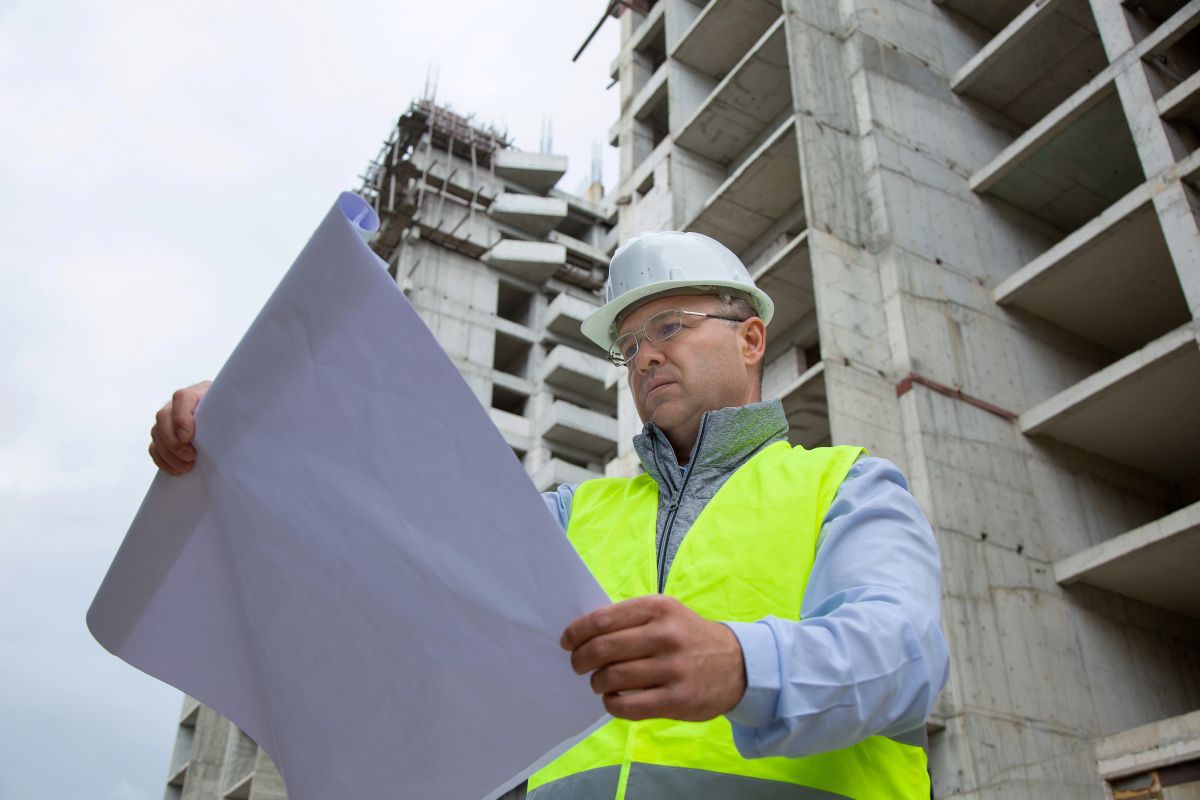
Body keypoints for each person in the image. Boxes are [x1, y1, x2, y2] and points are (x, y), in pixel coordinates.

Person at [150, 230, 948, 799]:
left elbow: (904, 655)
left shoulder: (845, 486)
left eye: (670, 327)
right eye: (629, 345)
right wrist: (257, 428)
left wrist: (742, 665)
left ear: (750, 339)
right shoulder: (572, 515)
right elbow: (405, 542)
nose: (646, 356)